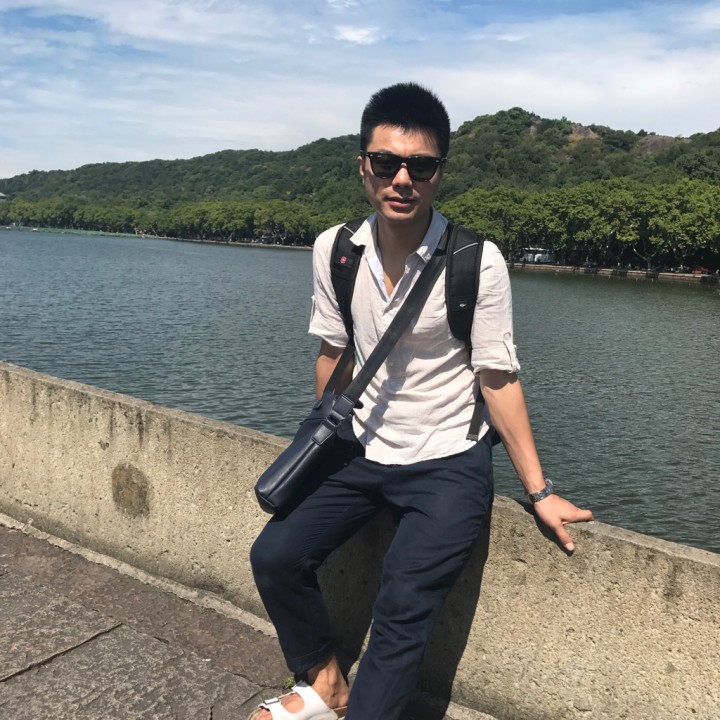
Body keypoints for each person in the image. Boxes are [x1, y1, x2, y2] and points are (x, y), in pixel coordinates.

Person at [249, 82, 593, 720]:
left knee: (402, 610)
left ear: (439, 173)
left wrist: (540, 492)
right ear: (363, 166)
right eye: (386, 163)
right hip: (360, 448)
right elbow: (333, 353)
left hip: (447, 459)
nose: (402, 179)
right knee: (274, 556)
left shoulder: (476, 260)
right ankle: (326, 683)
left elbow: (498, 380)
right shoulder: (336, 250)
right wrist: (317, 444)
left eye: (420, 166)